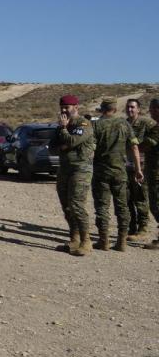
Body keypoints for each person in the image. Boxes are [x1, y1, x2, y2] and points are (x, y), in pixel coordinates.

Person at [91, 98, 143, 251]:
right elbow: (134, 147)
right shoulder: (124, 124)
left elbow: (91, 150)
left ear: (102, 109)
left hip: (101, 172)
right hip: (120, 172)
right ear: (115, 109)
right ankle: (121, 242)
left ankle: (104, 240)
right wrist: (138, 169)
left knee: (102, 207)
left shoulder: (96, 125)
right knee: (122, 207)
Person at [52, 95, 95, 255]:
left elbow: (71, 142)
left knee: (77, 205)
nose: (63, 110)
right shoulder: (60, 126)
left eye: (67, 107)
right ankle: (74, 239)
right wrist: (63, 137)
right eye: (62, 107)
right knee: (67, 206)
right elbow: (51, 147)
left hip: (81, 170)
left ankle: (86, 241)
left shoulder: (83, 124)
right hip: (64, 169)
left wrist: (64, 129)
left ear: (76, 107)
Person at [125, 98, 156, 239]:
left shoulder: (147, 123)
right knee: (127, 198)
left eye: (133, 107)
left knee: (141, 197)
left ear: (138, 109)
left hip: (142, 165)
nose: (130, 109)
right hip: (126, 164)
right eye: (128, 107)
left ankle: (143, 228)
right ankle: (131, 228)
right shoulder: (124, 123)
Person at [141, 99, 159, 250]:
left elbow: (145, 146)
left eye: (152, 108)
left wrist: (134, 144)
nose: (150, 111)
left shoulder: (156, 129)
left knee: (156, 204)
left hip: (156, 173)